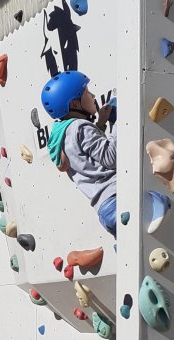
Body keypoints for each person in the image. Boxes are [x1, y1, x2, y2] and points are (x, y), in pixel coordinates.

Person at [41, 70, 117, 238]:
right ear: (75, 104)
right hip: (116, 196)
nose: (93, 96)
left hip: (105, 209)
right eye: (87, 93)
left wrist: (101, 124)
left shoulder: (63, 135)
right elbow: (111, 158)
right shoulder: (80, 127)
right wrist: (121, 122)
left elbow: (87, 156)